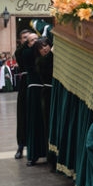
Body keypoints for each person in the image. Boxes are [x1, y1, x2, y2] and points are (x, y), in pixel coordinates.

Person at [25, 37, 53, 166]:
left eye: (46, 45)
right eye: (41, 47)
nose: (44, 49)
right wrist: (53, 50)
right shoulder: (40, 61)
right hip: (47, 95)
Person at [13, 29, 33, 159]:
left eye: (29, 38)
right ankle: (21, 145)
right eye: (24, 38)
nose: (27, 40)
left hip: (38, 84)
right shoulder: (20, 51)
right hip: (25, 85)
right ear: (21, 40)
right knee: (22, 114)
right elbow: (22, 55)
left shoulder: (39, 50)